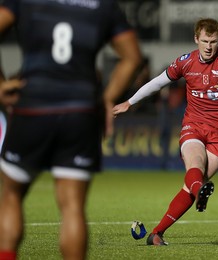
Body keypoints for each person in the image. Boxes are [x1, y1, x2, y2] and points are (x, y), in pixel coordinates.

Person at [0, 0, 142, 259]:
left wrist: (0, 85)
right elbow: (132, 57)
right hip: (80, 112)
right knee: (72, 207)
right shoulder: (102, 5)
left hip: (33, 105)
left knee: (11, 195)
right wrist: (106, 99)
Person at [113, 18, 218, 246]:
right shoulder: (185, 62)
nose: (209, 46)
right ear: (196, 39)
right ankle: (199, 193)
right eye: (205, 41)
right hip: (194, 125)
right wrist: (130, 102)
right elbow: (158, 82)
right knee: (195, 166)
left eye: (213, 41)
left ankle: (157, 233)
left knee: (192, 184)